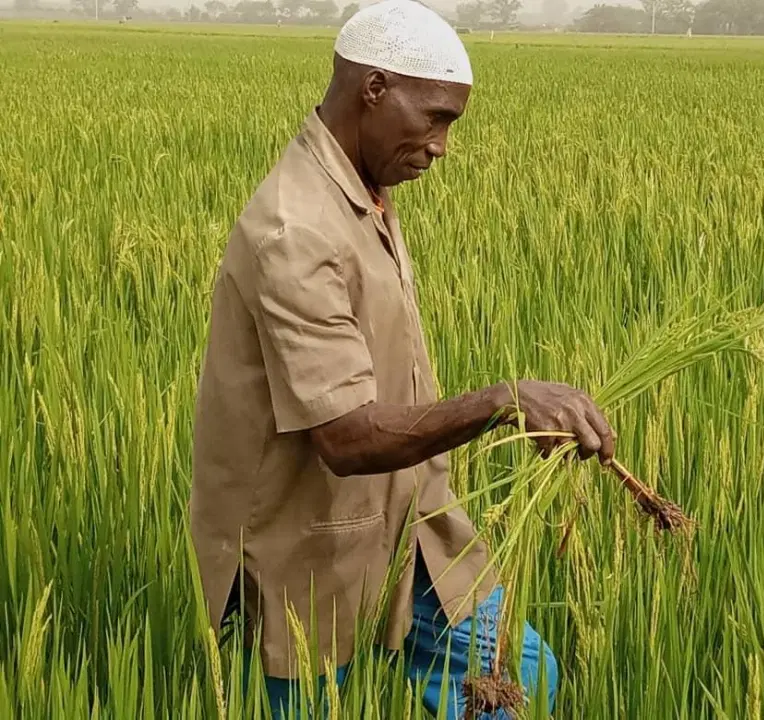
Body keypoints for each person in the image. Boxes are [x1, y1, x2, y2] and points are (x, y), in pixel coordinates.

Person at [189, 1, 616, 717]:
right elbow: (346, 438)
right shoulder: (295, 229)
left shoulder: (364, 187)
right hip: (308, 544)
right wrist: (502, 400)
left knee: (520, 681)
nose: (443, 145)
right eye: (437, 117)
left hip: (412, 521)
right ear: (375, 89)